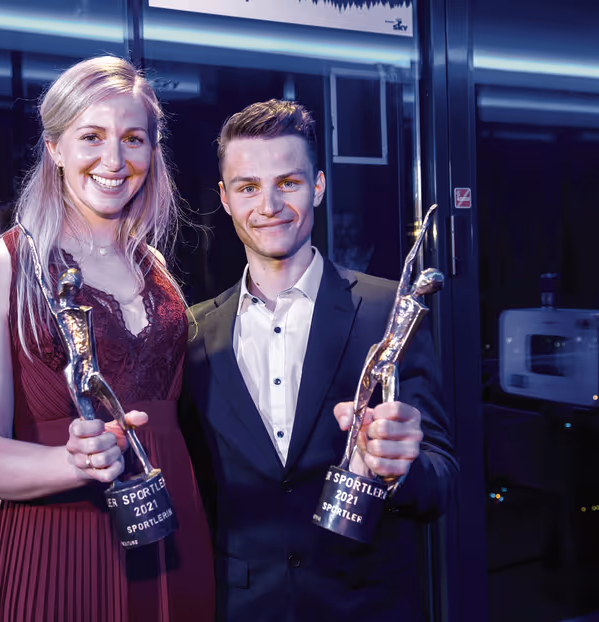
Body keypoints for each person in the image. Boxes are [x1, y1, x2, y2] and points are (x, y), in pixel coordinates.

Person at [0, 56, 215, 621]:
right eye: (91, 136)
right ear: (54, 148)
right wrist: (74, 463)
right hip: (63, 543)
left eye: (133, 139)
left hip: (172, 532)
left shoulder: (156, 268)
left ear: (153, 150)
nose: (114, 160)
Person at [180, 100, 457, 621]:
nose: (269, 205)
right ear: (225, 198)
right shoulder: (194, 333)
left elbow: (440, 480)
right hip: (243, 608)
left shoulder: (388, 310)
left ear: (319, 187)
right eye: (247, 187)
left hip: (366, 606)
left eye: (288, 182)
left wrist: (399, 468)